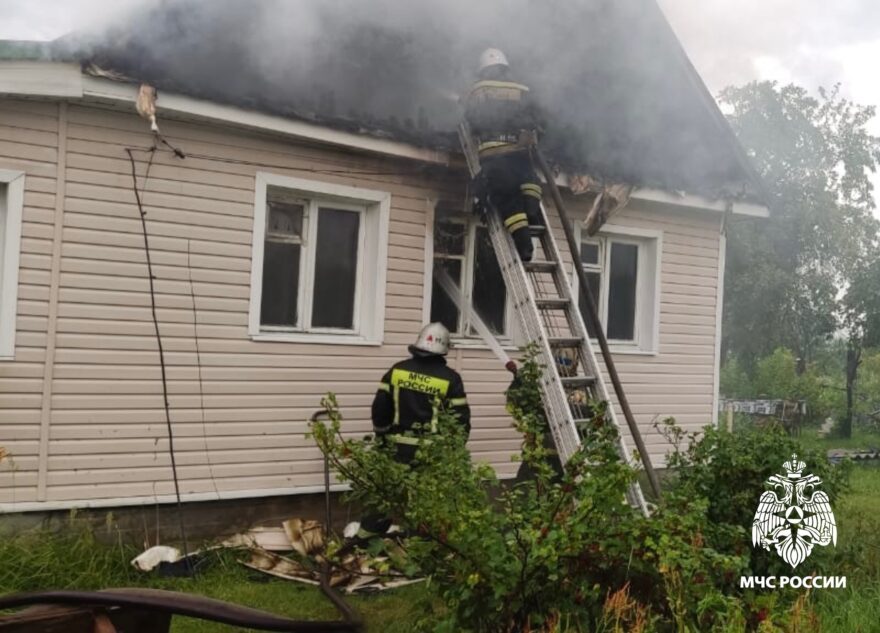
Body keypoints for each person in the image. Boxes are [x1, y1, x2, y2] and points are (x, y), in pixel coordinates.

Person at [357, 322, 471, 539]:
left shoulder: (397, 370)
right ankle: (418, 551)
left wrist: (381, 435)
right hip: (432, 454)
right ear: (444, 349)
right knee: (425, 504)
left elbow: (380, 408)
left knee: (385, 497)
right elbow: (460, 420)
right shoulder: (450, 379)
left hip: (395, 449)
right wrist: (454, 452)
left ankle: (363, 544)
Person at [464, 47, 544, 262]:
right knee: (530, 180)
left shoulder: (479, 89)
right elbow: (537, 117)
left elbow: (472, 120)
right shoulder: (523, 88)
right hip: (521, 150)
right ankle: (532, 210)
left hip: (494, 153)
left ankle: (525, 246)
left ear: (483, 69)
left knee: (507, 198)